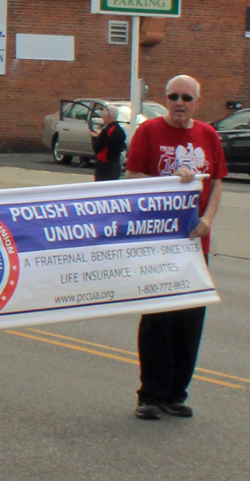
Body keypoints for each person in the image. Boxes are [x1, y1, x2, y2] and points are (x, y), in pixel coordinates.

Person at [126, 74, 228, 420]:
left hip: (195, 244)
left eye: (187, 97)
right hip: (159, 241)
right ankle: (150, 396)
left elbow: (216, 182)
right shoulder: (149, 131)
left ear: (198, 101)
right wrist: (169, 181)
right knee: (158, 319)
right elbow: (132, 177)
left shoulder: (208, 135)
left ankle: (175, 394)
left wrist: (208, 220)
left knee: (189, 320)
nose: (179, 102)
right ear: (166, 99)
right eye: (173, 96)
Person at [89, 105, 126, 181]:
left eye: (104, 115)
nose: (103, 117)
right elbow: (122, 146)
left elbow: (97, 147)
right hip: (116, 164)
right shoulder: (120, 130)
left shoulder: (107, 131)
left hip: (105, 165)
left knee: (101, 188)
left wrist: (94, 138)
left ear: (108, 115)